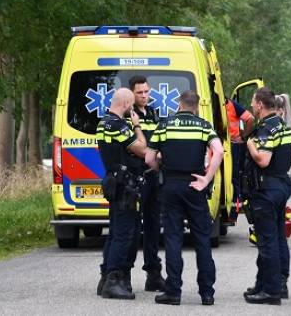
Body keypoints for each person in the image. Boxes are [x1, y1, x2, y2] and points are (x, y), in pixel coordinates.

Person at [145, 90, 224, 306]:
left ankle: (173, 292)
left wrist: (160, 164)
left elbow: (149, 157)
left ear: (179, 104)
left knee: (173, 238)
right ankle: (207, 293)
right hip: (195, 185)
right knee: (202, 239)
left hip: (171, 185)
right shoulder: (203, 126)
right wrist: (206, 179)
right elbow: (219, 152)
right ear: (196, 106)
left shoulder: (164, 125)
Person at [243, 87, 291, 305]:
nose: (252, 106)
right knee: (278, 237)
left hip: (266, 190)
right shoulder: (284, 127)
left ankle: (271, 291)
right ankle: (272, 283)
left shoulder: (266, 129)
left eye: (254, 103)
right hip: (280, 185)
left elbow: (263, 160)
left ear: (261, 105)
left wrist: (250, 144)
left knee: (267, 241)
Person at [96, 88, 147, 300]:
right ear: (126, 104)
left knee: (116, 231)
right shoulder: (119, 126)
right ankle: (114, 280)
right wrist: (136, 125)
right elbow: (142, 149)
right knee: (126, 233)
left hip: (114, 181)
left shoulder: (102, 123)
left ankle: (107, 276)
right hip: (125, 185)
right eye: (132, 105)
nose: (132, 109)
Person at [126, 75, 166, 292]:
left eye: (146, 91)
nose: (144, 96)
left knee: (153, 226)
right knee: (131, 228)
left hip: (153, 176)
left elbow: (159, 140)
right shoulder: (127, 116)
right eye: (139, 92)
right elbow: (137, 147)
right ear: (131, 93)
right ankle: (124, 274)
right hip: (135, 176)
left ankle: (153, 273)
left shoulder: (152, 112)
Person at [225, 96, 254, 220]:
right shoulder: (228, 105)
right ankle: (231, 210)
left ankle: (234, 211)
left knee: (234, 179)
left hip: (232, 145)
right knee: (230, 179)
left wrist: (244, 136)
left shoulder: (232, 105)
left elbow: (250, 118)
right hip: (225, 144)